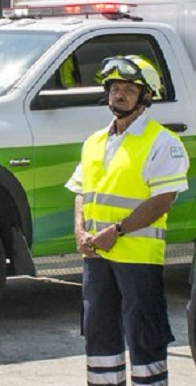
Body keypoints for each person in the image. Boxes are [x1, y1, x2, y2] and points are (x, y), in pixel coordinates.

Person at [66, 55, 188, 386]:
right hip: (96, 256)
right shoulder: (94, 141)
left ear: (146, 97)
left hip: (137, 256)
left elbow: (163, 200)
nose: (119, 95)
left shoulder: (163, 142)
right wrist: (80, 231)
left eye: (129, 89)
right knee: (98, 331)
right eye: (114, 88)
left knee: (144, 333)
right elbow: (81, 191)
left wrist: (116, 231)